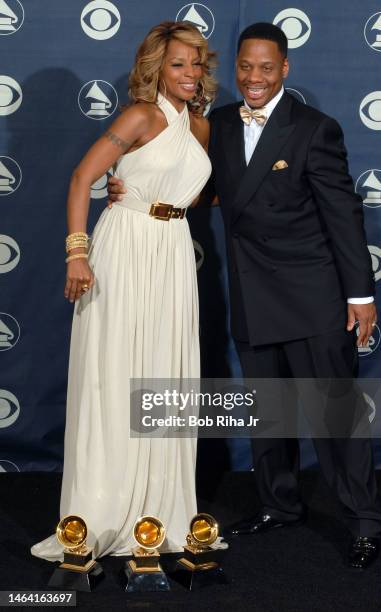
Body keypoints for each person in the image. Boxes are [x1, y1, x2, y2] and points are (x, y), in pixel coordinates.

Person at [108, 23, 380, 569]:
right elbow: (202, 188)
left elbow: (343, 218)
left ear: (285, 70)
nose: (253, 78)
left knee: (334, 414)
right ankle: (279, 505)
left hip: (313, 295)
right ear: (235, 68)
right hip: (254, 291)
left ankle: (364, 521)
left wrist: (360, 295)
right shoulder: (219, 125)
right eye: (245, 67)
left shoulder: (314, 129)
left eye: (265, 68)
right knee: (267, 410)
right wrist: (133, 188)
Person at [31, 21, 216, 561]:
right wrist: (77, 253)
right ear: (156, 67)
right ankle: (104, 506)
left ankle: (158, 513)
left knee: (163, 372)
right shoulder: (141, 115)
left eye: (196, 63)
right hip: (124, 246)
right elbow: (80, 178)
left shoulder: (199, 127)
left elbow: (194, 193)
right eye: (178, 63)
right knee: (115, 374)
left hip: (173, 250)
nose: (189, 73)